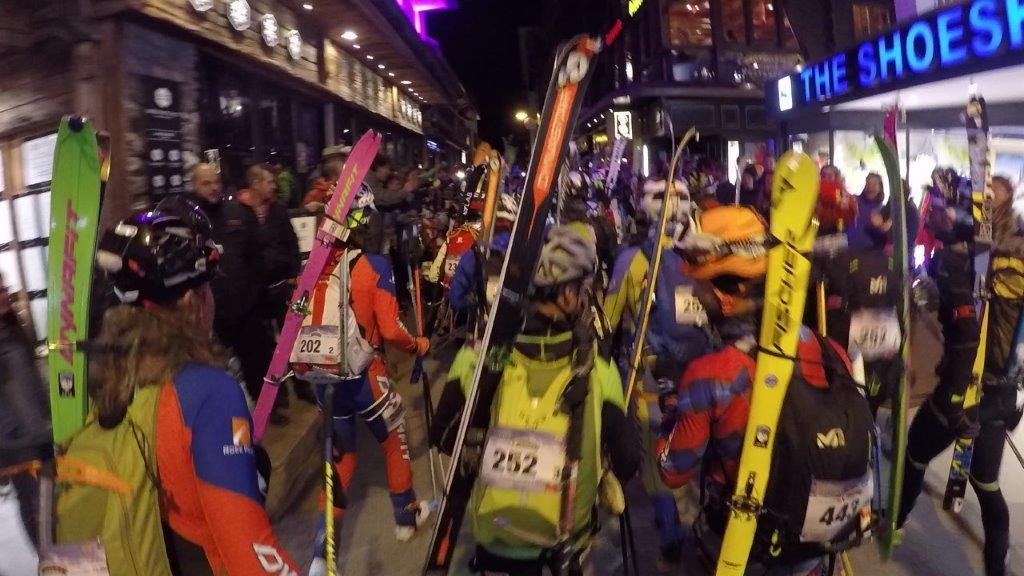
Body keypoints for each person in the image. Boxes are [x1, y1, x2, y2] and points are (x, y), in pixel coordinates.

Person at [657, 205, 874, 575]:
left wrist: (672, 420)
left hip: (741, 553)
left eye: (698, 285)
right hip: (811, 555)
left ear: (729, 291)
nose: (694, 294)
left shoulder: (712, 374)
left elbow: (672, 471)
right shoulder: (830, 352)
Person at [85, 202, 299, 574]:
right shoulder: (207, 392)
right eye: (208, 288)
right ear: (191, 301)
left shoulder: (114, 380)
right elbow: (250, 556)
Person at [430, 223, 641, 576]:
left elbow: (443, 435)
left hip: (494, 537)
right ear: (569, 295)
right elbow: (628, 463)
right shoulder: (600, 372)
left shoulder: (476, 359)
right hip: (564, 547)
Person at [292, 184, 433, 575]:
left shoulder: (312, 266)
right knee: (394, 442)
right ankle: (406, 520)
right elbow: (389, 330)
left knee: (341, 459)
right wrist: (418, 344)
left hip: (323, 381)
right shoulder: (375, 265)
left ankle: (321, 553)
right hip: (363, 377)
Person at [899, 174, 1023, 576]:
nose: (976, 203)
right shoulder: (988, 252)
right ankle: (997, 564)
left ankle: (894, 524)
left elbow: (968, 323)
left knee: (916, 451)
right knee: (986, 484)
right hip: (997, 392)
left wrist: (953, 265)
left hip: (967, 389)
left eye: (985, 199)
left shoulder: (990, 258)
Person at [602, 177, 712, 570]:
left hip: (651, 375)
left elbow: (608, 320)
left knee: (656, 453)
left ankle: (669, 530)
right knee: (707, 445)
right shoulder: (704, 254)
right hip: (703, 372)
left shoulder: (632, 260)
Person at [188, 164, 285, 422]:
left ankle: (269, 411)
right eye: (205, 183)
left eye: (215, 182)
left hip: (246, 307)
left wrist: (258, 294)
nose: (213, 188)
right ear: (195, 185)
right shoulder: (188, 221)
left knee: (257, 362)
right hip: (211, 314)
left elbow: (258, 255)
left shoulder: (239, 214)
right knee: (216, 370)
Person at [0, 280, 50, 576]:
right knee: (35, 507)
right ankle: (50, 561)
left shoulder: (13, 330)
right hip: (15, 444)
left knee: (49, 505)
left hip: (39, 433)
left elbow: (32, 378)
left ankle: (58, 559)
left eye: (3, 287)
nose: (4, 294)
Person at [448, 193, 519, 318]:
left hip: (485, 325)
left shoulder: (474, 253)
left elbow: (456, 299)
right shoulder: (523, 250)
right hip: (520, 321)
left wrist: (475, 300)